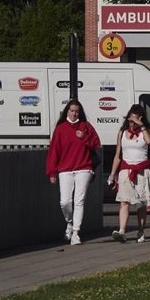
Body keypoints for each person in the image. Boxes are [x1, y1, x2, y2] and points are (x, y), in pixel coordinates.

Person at [46, 99, 102, 246]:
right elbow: (54, 151)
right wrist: (52, 172)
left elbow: (96, 144)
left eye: (77, 111)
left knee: (79, 201)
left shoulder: (86, 126)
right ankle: (70, 223)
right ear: (67, 111)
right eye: (71, 111)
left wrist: (84, 138)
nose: (74, 114)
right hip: (65, 169)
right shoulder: (60, 128)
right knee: (64, 202)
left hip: (84, 168)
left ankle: (76, 233)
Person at [107, 104, 150, 243]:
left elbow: (149, 141)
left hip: (142, 171)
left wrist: (141, 126)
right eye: (130, 120)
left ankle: (141, 230)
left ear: (141, 119)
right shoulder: (122, 133)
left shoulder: (146, 131)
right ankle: (122, 231)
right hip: (126, 170)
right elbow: (117, 155)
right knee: (124, 201)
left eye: (135, 121)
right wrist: (112, 174)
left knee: (141, 203)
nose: (132, 124)